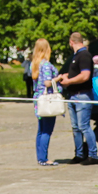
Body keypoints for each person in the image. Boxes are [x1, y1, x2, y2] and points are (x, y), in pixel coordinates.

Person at [55, 32, 98, 165]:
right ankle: (79, 154)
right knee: (75, 127)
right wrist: (67, 76)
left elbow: (85, 75)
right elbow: (78, 73)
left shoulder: (84, 55)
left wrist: (69, 81)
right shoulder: (77, 56)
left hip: (82, 95)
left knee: (84, 126)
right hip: (73, 95)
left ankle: (93, 155)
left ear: (71, 42)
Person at [31, 38, 61, 166]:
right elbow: (47, 82)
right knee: (47, 130)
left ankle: (40, 157)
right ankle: (44, 158)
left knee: (41, 129)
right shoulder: (47, 65)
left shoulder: (35, 64)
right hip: (48, 100)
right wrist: (59, 77)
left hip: (38, 100)